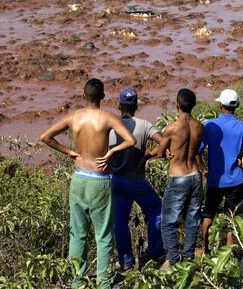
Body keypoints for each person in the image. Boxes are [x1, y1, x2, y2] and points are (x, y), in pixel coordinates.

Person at [39, 78, 136, 289]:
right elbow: (131, 140)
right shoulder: (107, 117)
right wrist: (110, 152)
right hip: (99, 179)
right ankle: (103, 282)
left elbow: (45, 136)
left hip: (79, 178)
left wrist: (70, 152)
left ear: (83, 96)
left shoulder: (74, 116)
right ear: (102, 97)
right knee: (103, 234)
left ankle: (77, 282)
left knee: (77, 233)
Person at [198, 89, 243, 253]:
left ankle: (205, 250)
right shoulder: (242, 127)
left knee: (208, 214)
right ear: (237, 106)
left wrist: (203, 169)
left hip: (215, 179)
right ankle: (229, 252)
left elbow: (196, 151)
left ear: (220, 105)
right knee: (232, 217)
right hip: (236, 180)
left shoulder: (209, 125)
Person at [108, 88, 165, 272]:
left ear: (119, 105)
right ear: (136, 106)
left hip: (116, 181)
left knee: (120, 221)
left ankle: (126, 262)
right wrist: (147, 156)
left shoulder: (110, 127)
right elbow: (164, 142)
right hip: (138, 181)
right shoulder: (145, 125)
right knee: (156, 210)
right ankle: (155, 252)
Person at [157, 88, 204, 269]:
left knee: (169, 222)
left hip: (178, 177)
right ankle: (189, 256)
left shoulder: (171, 128)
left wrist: (168, 151)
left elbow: (161, 153)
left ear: (177, 104)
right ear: (193, 106)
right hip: (195, 174)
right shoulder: (200, 126)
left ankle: (175, 262)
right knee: (193, 219)